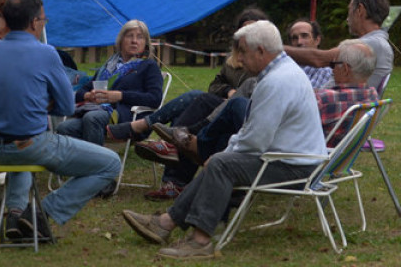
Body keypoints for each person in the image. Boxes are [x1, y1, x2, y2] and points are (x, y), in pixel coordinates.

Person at [122, 20, 326, 260]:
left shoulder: (277, 81)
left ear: (261, 50)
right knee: (220, 160)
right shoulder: (282, 72)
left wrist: (224, 154)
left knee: (221, 164)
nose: (239, 59)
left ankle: (199, 241)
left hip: (296, 168)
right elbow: (253, 129)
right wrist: (227, 151)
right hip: (294, 158)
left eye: (243, 52)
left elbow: (256, 140)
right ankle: (165, 223)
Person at [0, 0, 121, 240]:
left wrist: (31, 106)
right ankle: (41, 214)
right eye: (44, 19)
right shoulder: (46, 53)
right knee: (111, 164)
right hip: (28, 145)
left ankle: (15, 215)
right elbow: (66, 106)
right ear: (34, 22)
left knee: (20, 140)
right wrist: (42, 104)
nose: (44, 23)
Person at [158, 39, 380, 171]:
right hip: (324, 156)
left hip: (296, 154)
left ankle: (196, 145)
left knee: (238, 107)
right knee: (231, 121)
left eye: (335, 64)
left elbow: (288, 117)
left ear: (347, 69)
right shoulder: (371, 96)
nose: (332, 68)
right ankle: (193, 148)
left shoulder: (329, 99)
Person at [131, 8, 267, 200]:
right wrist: (228, 91)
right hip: (223, 108)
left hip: (248, 115)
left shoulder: (266, 61)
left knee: (199, 100)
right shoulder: (233, 61)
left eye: (253, 30)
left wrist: (236, 99)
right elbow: (215, 85)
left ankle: (170, 146)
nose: (248, 35)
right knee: (194, 106)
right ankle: (174, 176)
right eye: (244, 31)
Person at [56, 19, 164, 146]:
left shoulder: (149, 66)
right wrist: (88, 96)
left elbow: (155, 99)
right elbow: (82, 91)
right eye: (130, 36)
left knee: (92, 118)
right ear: (121, 40)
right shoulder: (109, 66)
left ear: (145, 43)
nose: (134, 41)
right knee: (64, 128)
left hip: (128, 118)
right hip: (98, 111)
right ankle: (76, 163)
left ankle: (97, 163)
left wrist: (120, 96)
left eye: (140, 37)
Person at [286, 0, 393, 91]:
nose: (347, 19)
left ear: (360, 10)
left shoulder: (372, 44)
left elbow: (318, 58)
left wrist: (276, 49)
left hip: (337, 106)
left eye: (349, 11)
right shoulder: (378, 43)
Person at [286, 18, 333, 88]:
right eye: (295, 38)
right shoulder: (284, 68)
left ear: (317, 40)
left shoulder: (325, 72)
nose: (299, 42)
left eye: (304, 36)